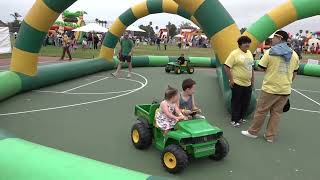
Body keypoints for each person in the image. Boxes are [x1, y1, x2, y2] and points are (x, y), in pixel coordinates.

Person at [241, 30, 300, 143]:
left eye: (274, 37)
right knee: (276, 114)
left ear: (279, 38)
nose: (272, 39)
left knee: (261, 111)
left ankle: (252, 132)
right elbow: (295, 72)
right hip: (285, 89)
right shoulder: (294, 55)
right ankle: (270, 136)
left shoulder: (270, 52)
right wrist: (287, 81)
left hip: (270, 88)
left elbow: (261, 67)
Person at [224, 36, 255, 127]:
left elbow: (251, 68)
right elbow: (226, 66)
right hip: (237, 83)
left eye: (249, 42)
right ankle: (234, 120)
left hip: (248, 83)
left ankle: (241, 117)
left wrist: (252, 80)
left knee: (246, 102)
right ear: (240, 44)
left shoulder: (249, 53)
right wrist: (231, 79)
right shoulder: (234, 54)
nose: (248, 44)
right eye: (245, 43)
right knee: (236, 102)